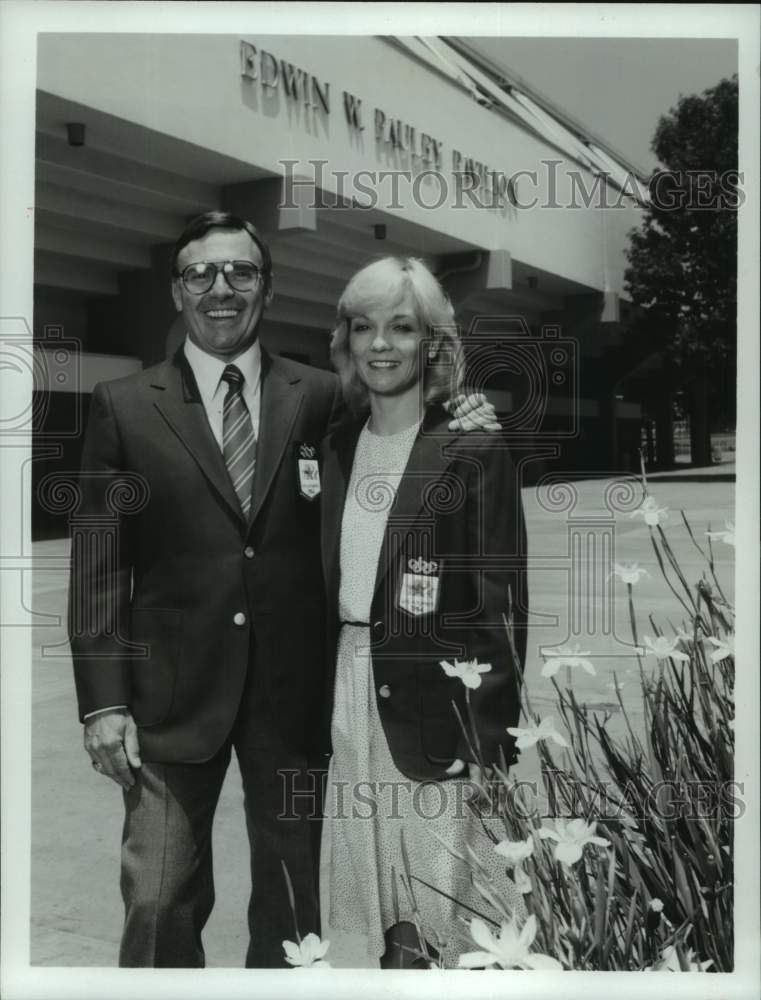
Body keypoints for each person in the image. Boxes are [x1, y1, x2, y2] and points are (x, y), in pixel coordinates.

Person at [68, 212, 500, 968]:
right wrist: (103, 702)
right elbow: (99, 566)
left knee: (295, 909)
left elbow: (401, 422)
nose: (221, 289)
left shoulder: (323, 396)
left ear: (266, 287)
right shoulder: (123, 404)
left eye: (241, 272)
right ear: (176, 290)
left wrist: (458, 405)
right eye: (201, 273)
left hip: (296, 698)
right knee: (157, 895)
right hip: (170, 698)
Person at [319, 257, 528, 968]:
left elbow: (499, 609)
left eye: (400, 327)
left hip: (436, 708)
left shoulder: (473, 446)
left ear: (432, 343)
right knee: (363, 909)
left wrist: (489, 748)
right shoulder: (334, 444)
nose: (379, 344)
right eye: (363, 327)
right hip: (350, 707)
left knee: (442, 914)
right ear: (345, 341)